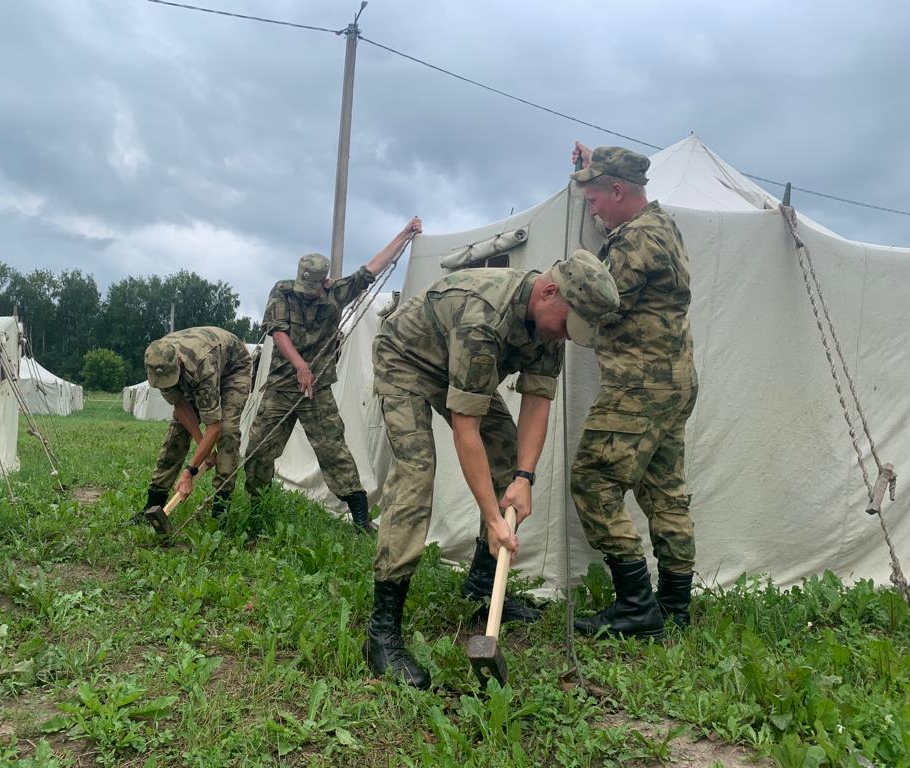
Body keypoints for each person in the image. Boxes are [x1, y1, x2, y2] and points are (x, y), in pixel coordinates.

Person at [364, 251, 621, 688]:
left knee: (507, 458)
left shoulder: (550, 326)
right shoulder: (483, 315)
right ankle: (381, 632)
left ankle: (482, 588)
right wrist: (490, 517)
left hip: (459, 368)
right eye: (564, 323)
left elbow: (538, 403)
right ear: (549, 291)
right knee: (416, 474)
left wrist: (523, 479)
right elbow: (467, 428)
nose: (563, 334)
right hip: (406, 360)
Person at [569, 143, 699, 638]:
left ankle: (636, 608)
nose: (592, 207)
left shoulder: (632, 243)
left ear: (618, 190)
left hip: (639, 386)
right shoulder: (663, 226)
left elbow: (595, 299)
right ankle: (674, 608)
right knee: (665, 491)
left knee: (592, 480)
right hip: (674, 382)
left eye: (595, 198)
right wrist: (584, 168)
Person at [244, 218, 422, 531]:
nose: (309, 293)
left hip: (317, 391)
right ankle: (256, 506)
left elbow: (371, 269)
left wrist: (405, 234)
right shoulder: (282, 292)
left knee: (334, 451)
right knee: (259, 448)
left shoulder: (336, 293)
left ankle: (360, 518)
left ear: (325, 282)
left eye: (315, 288)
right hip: (282, 388)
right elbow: (278, 331)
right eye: (305, 287)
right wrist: (300, 365)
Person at [135, 326, 251, 526]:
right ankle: (152, 507)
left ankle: (220, 513)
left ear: (178, 362)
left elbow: (214, 426)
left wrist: (190, 471)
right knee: (177, 432)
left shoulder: (203, 366)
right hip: (196, 369)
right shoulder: (158, 361)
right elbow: (180, 405)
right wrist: (204, 449)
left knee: (227, 432)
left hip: (233, 368)